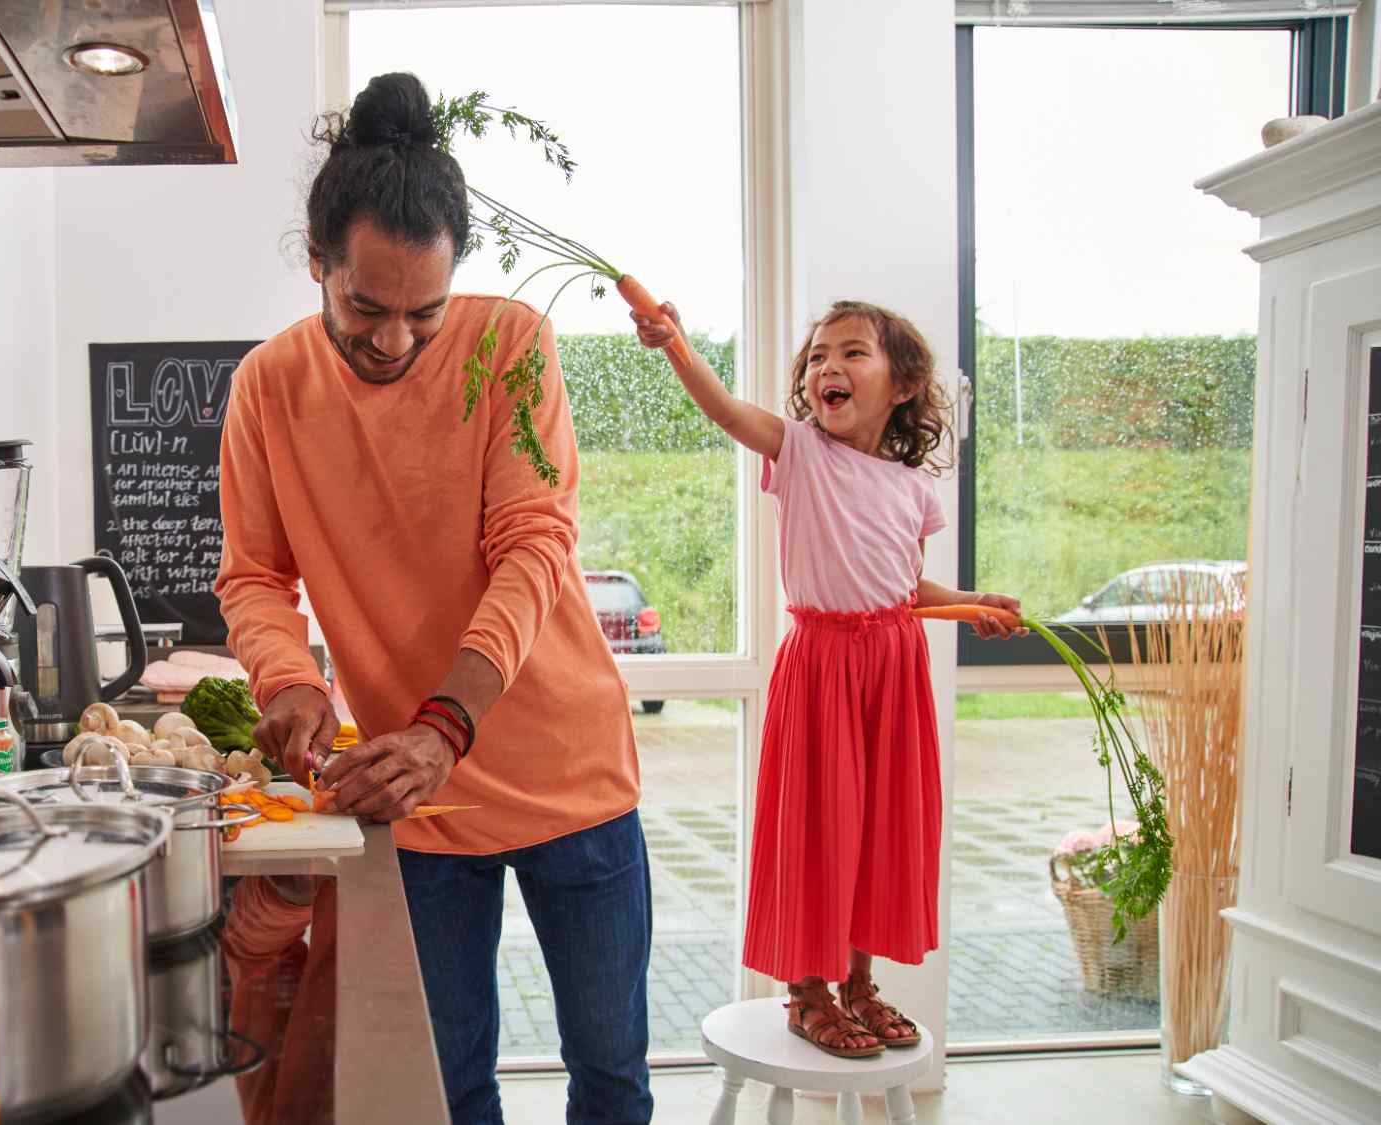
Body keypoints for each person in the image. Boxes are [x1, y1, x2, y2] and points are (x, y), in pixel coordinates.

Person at [214, 72, 653, 1124]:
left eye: (424, 311)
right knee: (445, 1089)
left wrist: (445, 721)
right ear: (318, 262)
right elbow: (254, 577)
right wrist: (288, 679)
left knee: (608, 1077)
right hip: (412, 801)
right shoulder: (268, 387)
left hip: (568, 779)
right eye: (364, 306)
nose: (396, 341)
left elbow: (533, 542)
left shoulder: (508, 346)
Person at [633, 297, 1024, 1058]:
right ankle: (806, 990)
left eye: (851, 353)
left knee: (877, 827)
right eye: (816, 357)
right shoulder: (802, 451)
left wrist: (973, 604)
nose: (827, 368)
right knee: (822, 827)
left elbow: (904, 590)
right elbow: (724, 408)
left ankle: (859, 982)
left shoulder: (912, 487)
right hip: (823, 668)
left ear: (903, 383)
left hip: (893, 666)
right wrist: (676, 344)